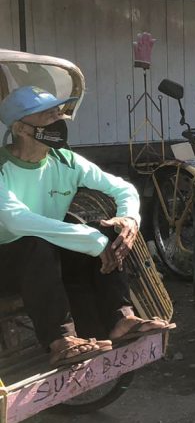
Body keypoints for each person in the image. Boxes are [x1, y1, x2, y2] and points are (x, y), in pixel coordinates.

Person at [0, 87, 174, 367]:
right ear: (20, 128)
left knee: (107, 230)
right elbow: (16, 219)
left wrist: (128, 219)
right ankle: (61, 341)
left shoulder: (65, 161)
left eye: (58, 113)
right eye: (47, 115)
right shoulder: (2, 167)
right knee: (36, 244)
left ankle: (121, 318)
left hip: (45, 257)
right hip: (7, 259)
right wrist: (89, 239)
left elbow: (123, 189)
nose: (58, 120)